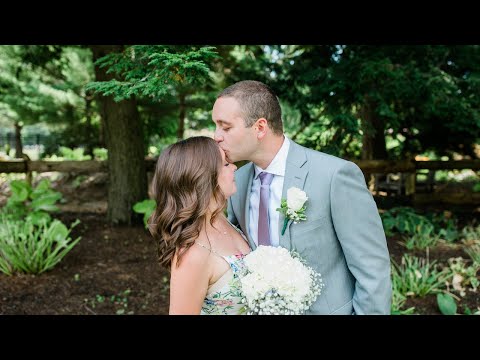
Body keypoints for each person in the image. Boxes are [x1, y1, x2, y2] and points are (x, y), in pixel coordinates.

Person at [212, 80, 392, 314]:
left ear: (260, 128)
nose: (216, 136)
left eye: (225, 127)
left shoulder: (334, 176)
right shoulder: (236, 181)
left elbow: (372, 268)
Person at [148, 136, 251, 315]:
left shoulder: (220, 219)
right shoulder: (192, 254)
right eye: (226, 164)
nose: (234, 167)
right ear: (203, 177)